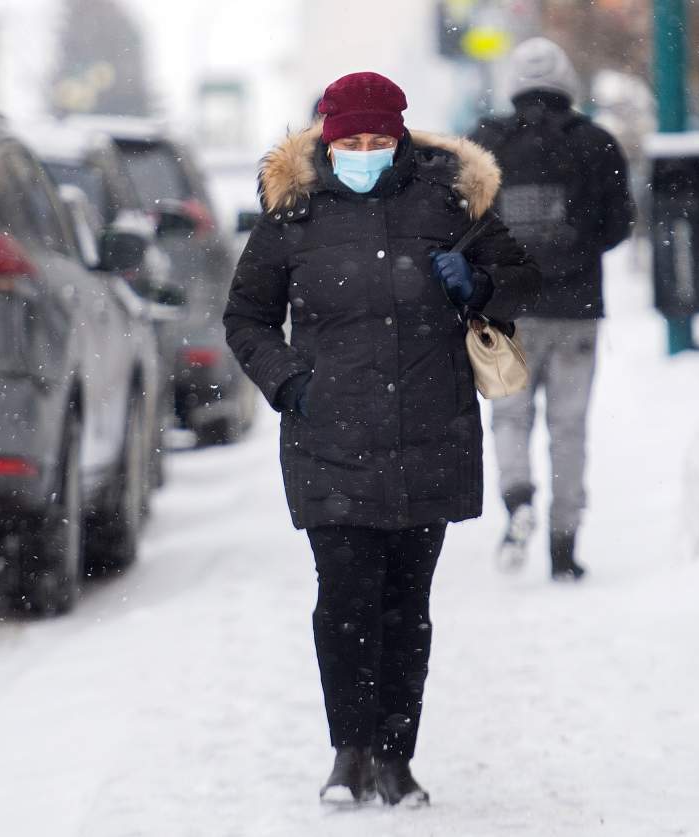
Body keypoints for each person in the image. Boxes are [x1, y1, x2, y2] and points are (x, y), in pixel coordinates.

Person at [224, 72, 540, 806]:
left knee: (407, 602)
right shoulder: (292, 213)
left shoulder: (447, 200)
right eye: (349, 142)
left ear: (399, 136)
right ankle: (350, 751)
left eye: (377, 140)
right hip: (328, 436)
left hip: (430, 427)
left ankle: (398, 758)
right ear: (325, 142)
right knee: (344, 597)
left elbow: (524, 277)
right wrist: (291, 383)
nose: (364, 152)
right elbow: (246, 318)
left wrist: (479, 284)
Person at [470, 37, 635, 581]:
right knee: (569, 428)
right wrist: (576, 249)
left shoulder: (484, 144)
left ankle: (518, 497)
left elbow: (460, 224)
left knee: (509, 417)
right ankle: (564, 546)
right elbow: (618, 225)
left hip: (502, 312)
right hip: (576, 309)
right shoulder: (596, 144)